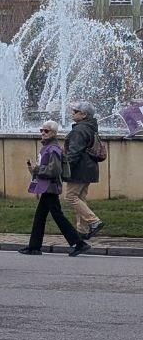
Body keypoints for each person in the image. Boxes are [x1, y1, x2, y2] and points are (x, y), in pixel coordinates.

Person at [21, 120, 92, 256]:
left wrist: (37, 169)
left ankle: (79, 243)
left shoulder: (53, 149)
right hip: (48, 187)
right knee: (40, 216)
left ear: (53, 133)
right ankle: (34, 246)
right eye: (41, 130)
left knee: (58, 216)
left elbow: (54, 170)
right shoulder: (48, 147)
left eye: (46, 131)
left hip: (50, 187)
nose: (43, 133)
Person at [64, 102, 105, 240]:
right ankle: (82, 230)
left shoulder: (80, 130)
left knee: (70, 197)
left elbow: (74, 152)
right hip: (89, 169)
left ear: (84, 115)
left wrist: (66, 169)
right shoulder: (91, 127)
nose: (72, 113)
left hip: (80, 169)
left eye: (75, 111)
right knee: (80, 198)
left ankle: (94, 221)